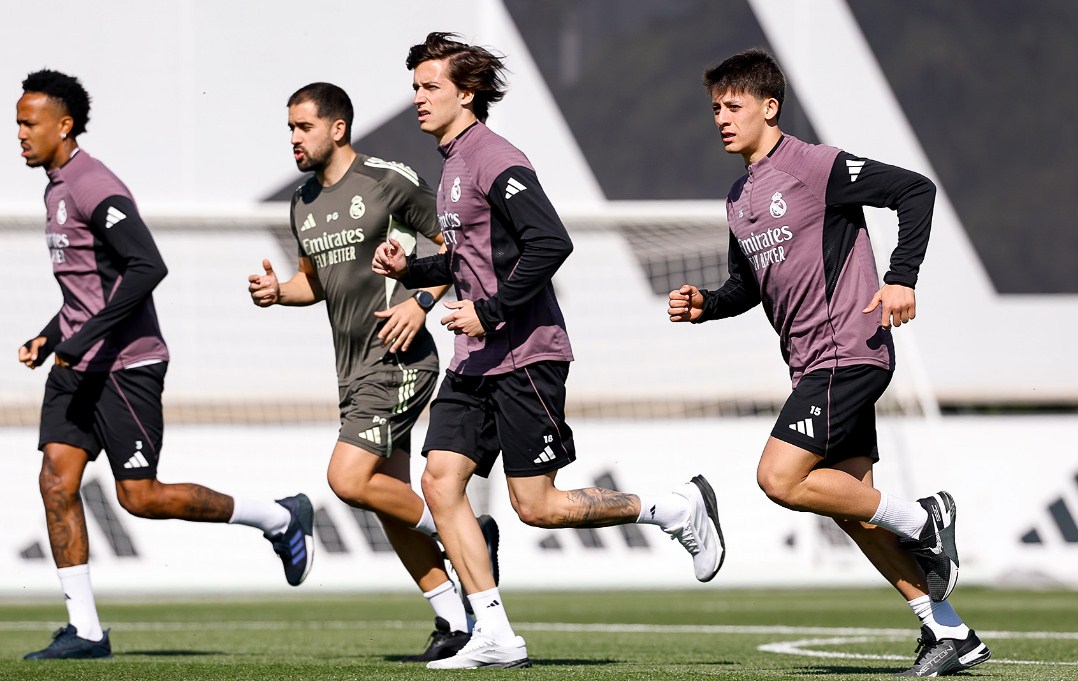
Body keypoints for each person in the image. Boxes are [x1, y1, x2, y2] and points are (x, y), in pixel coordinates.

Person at [371, 32, 725, 670]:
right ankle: (495, 635)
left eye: (430, 87)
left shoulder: (495, 157)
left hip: (526, 356)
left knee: (536, 506)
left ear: (466, 94)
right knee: (439, 482)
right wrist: (413, 268)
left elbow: (550, 242)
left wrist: (488, 311)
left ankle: (673, 508)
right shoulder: (452, 166)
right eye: (415, 87)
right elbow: (470, 258)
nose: (418, 98)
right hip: (475, 360)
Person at [668, 48, 990, 677]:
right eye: (715, 109)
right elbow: (747, 286)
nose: (722, 119)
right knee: (853, 507)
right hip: (811, 363)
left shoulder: (814, 166)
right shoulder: (738, 198)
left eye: (733, 106)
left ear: (770, 107)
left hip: (848, 353)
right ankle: (948, 631)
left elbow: (915, 190)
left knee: (778, 478)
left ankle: (924, 518)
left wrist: (901, 278)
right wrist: (708, 303)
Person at [16, 69, 314, 662]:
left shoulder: (93, 184)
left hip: (125, 366)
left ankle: (278, 518)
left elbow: (147, 266)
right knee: (56, 482)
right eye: (17, 123)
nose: (19, 133)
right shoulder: (54, 188)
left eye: (30, 123)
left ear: (64, 125)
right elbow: (89, 288)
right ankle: (85, 631)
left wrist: (86, 336)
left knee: (140, 497)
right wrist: (50, 337)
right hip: (77, 366)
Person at [247, 81, 498, 663]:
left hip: (399, 360)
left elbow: (458, 250)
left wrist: (422, 303)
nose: (294, 138)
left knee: (347, 478)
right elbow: (314, 281)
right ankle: (452, 620)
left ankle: (467, 532)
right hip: (354, 370)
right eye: (289, 128)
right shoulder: (302, 202)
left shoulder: (388, 180)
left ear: (338, 128)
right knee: (387, 499)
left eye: (303, 127)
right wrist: (278, 291)